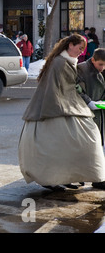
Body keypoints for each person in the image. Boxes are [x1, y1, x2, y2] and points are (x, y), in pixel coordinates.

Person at [18, 34, 105, 191]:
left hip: (61, 108)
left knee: (71, 145)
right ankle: (58, 178)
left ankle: (67, 177)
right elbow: (61, 89)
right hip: (55, 110)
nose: (81, 52)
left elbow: (67, 88)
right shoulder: (60, 63)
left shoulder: (64, 61)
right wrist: (84, 102)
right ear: (70, 45)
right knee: (74, 143)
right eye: (80, 48)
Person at [77, 48, 105, 145]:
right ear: (93, 60)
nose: (103, 68)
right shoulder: (82, 69)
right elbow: (75, 89)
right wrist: (89, 102)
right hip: (86, 113)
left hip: (100, 114)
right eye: (100, 64)